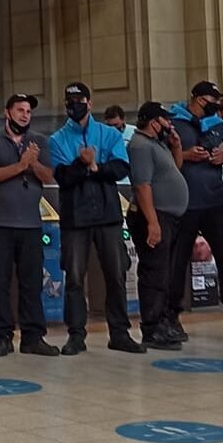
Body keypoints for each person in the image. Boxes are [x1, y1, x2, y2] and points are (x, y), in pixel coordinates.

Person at [51, 82, 139, 354]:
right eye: (69, 102)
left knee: (116, 274)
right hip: (75, 218)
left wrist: (94, 166)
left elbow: (120, 168)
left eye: (79, 101)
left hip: (107, 215)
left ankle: (120, 333)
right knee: (74, 278)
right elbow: (63, 176)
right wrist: (82, 164)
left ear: (89, 103)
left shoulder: (108, 134)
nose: (74, 106)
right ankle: (76, 335)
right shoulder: (57, 139)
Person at [0, 93, 56, 357]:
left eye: (28, 111)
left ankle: (33, 337)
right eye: (20, 110)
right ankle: (2, 336)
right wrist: (21, 165)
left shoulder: (39, 142)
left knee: (32, 282)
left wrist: (34, 163)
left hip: (30, 224)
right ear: (7, 112)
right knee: (0, 281)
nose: (25, 115)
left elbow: (48, 176)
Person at [169, 81, 223, 340]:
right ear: (200, 99)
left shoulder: (219, 124)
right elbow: (163, 158)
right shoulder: (174, 122)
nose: (217, 104)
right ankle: (172, 314)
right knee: (177, 261)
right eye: (214, 100)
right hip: (185, 203)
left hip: (216, 201)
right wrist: (185, 155)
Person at [124, 102, 185, 350]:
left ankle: (162, 320)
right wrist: (152, 222)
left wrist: (177, 147)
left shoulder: (158, 144)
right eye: (165, 120)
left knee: (165, 271)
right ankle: (151, 327)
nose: (169, 124)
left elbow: (174, 171)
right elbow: (142, 186)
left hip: (169, 216)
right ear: (153, 122)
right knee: (154, 272)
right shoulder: (140, 146)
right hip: (153, 216)